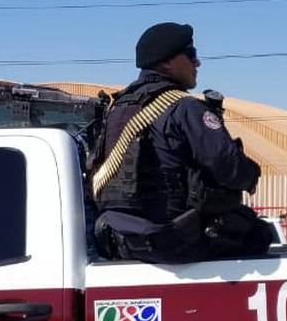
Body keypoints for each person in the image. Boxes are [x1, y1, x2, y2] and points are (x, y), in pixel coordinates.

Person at [90, 22, 273, 263]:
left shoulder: (117, 108)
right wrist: (251, 175)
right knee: (259, 233)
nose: (197, 63)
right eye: (191, 54)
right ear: (167, 62)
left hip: (118, 240)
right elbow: (228, 166)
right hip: (168, 241)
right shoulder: (184, 107)